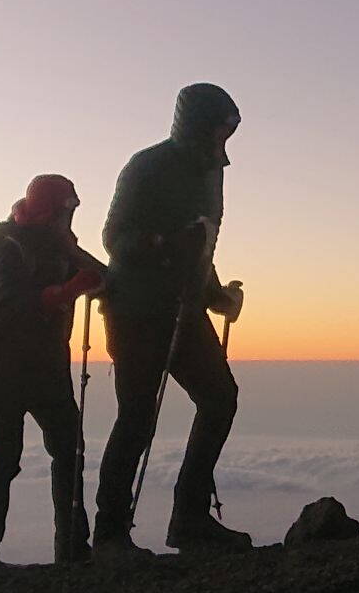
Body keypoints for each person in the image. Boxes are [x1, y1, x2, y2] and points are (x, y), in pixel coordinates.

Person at [95, 84, 253, 558]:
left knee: (219, 398)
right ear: (199, 125)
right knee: (139, 417)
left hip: (181, 306)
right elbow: (114, 238)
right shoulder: (148, 166)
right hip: (138, 309)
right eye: (221, 129)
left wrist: (213, 294)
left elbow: (200, 244)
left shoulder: (210, 174)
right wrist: (162, 245)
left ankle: (189, 519)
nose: (225, 140)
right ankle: (111, 534)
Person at [0, 175, 106, 567]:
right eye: (67, 209)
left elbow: (104, 280)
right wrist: (67, 290)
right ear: (52, 210)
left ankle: (69, 549)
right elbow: (10, 304)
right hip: (10, 370)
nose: (71, 216)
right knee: (9, 457)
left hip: (34, 370)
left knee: (60, 452)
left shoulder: (59, 247)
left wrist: (78, 272)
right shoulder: (9, 247)